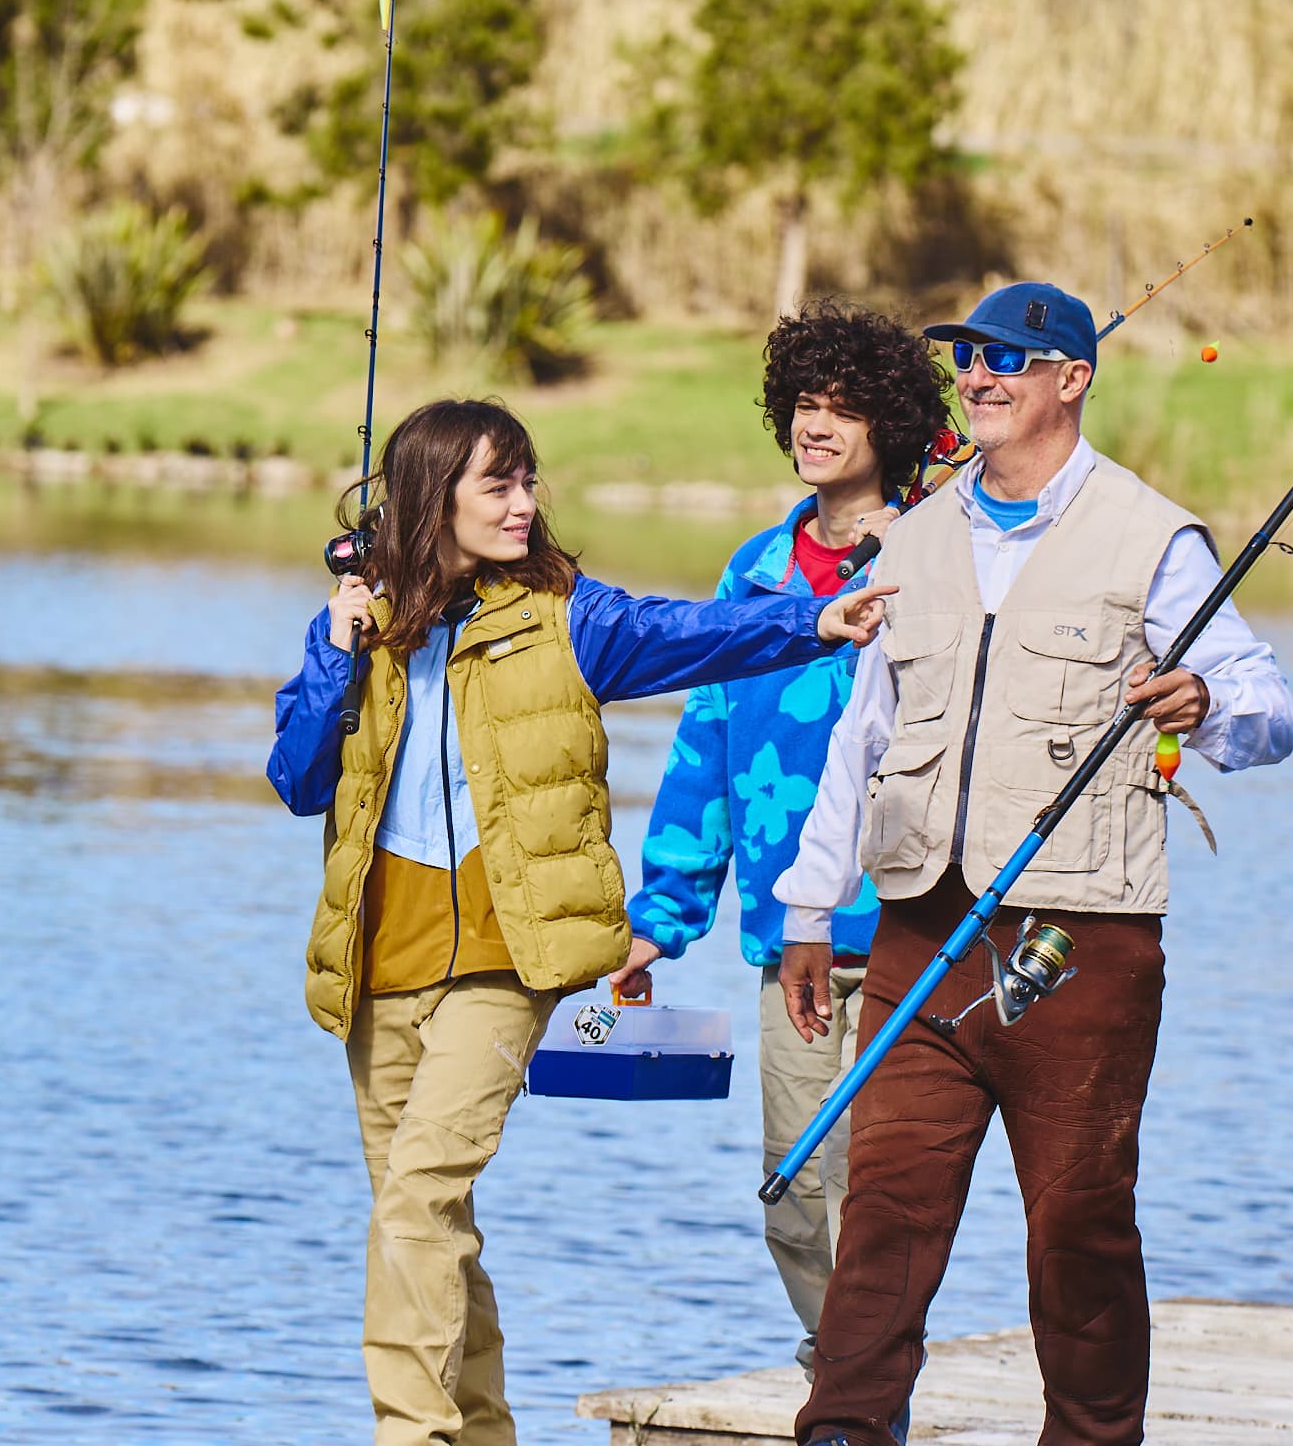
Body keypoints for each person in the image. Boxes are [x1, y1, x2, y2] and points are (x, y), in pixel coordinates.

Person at [267, 397, 894, 1446]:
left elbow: (686, 633)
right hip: (381, 957)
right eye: (498, 484)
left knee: (420, 1197)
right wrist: (337, 650)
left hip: (508, 954)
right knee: (426, 1222)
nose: (525, 501)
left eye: (527, 480)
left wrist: (811, 620)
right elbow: (297, 780)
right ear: (431, 500)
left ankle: (409, 1434)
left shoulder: (566, 614)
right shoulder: (360, 623)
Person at [770, 284, 1293, 1446]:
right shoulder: (910, 537)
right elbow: (861, 739)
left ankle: (1094, 1433)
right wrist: (809, 908)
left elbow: (1269, 707)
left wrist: (1204, 699)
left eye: (1009, 357)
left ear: (1073, 378)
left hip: (1082, 944)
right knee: (886, 1203)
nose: (979, 375)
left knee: (1079, 1223)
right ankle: (844, 1427)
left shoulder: (1152, 536)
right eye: (968, 356)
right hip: (920, 932)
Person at [604, 301, 953, 1374]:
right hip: (788, 938)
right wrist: (662, 918)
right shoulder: (754, 570)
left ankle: (859, 1384)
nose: (817, 425)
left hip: (913, 923)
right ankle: (844, 1367)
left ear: (891, 426)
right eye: (805, 403)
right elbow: (703, 745)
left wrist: (925, 540)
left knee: (879, 1182)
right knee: (796, 1183)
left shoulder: (941, 550)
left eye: (845, 408)